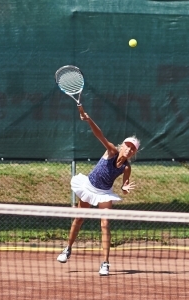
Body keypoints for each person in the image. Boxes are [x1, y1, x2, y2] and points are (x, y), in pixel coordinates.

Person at [56, 103, 139, 276]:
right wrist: (88, 119)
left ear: (133, 153)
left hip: (104, 193)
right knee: (79, 219)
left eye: (133, 149)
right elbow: (99, 135)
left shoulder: (126, 168)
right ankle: (67, 249)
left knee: (105, 224)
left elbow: (124, 187)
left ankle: (105, 264)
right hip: (89, 186)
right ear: (122, 145)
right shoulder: (111, 151)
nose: (129, 150)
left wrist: (124, 187)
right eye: (128, 146)